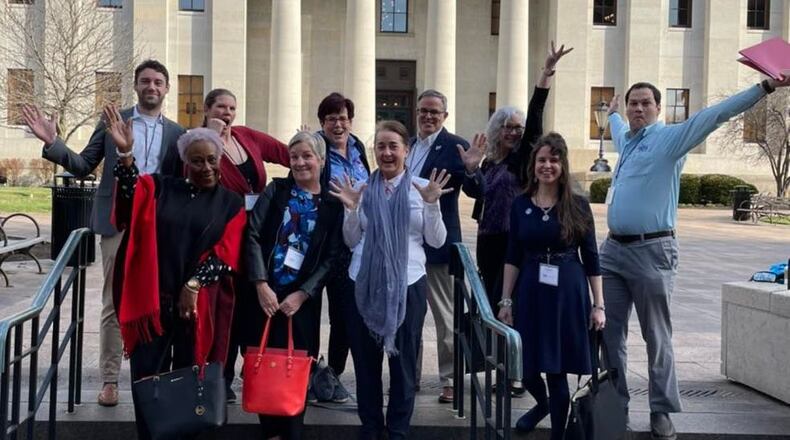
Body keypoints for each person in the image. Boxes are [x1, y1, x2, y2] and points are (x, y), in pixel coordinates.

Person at [601, 73, 790, 440]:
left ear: (658, 109)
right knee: (609, 334)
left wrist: (764, 88)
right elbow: (619, 127)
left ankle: (661, 411)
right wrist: (611, 114)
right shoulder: (627, 142)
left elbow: (717, 114)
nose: (638, 108)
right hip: (612, 252)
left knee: (656, 335)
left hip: (652, 250)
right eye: (632, 104)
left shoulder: (670, 139)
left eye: (645, 103)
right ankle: (615, 404)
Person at [19, 59, 184, 407]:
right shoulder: (113, 122)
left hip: (159, 226)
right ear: (136, 87)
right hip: (118, 222)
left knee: (159, 301)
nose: (151, 87)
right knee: (114, 300)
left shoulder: (177, 134)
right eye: (145, 81)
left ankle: (153, 375)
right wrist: (54, 143)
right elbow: (82, 165)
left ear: (167, 89)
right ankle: (110, 379)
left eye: (158, 82)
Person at [109, 120, 246, 440]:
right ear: (186, 162)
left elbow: (226, 255)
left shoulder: (230, 203)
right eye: (197, 160)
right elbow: (129, 198)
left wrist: (193, 285)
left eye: (212, 159)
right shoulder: (160, 188)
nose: (207, 166)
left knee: (191, 380)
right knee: (146, 380)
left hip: (196, 310)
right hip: (153, 304)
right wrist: (126, 154)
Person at [330, 120, 449, 440]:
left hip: (408, 283)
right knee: (366, 365)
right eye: (380, 146)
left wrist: (432, 204)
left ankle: (397, 430)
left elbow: (437, 241)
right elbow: (352, 239)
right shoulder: (361, 189)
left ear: (406, 151)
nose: (386, 152)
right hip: (364, 283)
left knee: (404, 365)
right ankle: (370, 428)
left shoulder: (422, 188)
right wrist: (352, 209)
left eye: (393, 146)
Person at [497, 132, 605, 440]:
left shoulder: (578, 206)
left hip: (567, 292)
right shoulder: (520, 205)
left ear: (563, 165)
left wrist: (599, 306)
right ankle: (541, 404)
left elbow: (593, 257)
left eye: (554, 160)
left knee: (557, 371)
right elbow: (513, 255)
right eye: (542, 160)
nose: (547, 166)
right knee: (526, 365)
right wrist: (505, 300)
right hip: (530, 290)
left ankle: (557, 434)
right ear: (534, 165)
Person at [245, 131, 344, 439]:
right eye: (295, 157)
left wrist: (303, 294)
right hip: (266, 294)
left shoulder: (331, 203)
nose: (300, 163)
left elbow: (332, 256)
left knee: (295, 370)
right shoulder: (278, 190)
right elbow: (253, 235)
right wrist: (260, 283)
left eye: (307, 156)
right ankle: (270, 432)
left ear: (321, 160)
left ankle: (291, 433)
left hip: (301, 302)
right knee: (265, 366)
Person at [201, 88, 291, 402]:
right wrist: (210, 140)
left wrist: (313, 146)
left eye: (231, 108)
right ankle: (220, 379)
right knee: (226, 309)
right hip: (222, 238)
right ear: (207, 109)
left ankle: (254, 374)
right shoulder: (198, 141)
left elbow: (287, 154)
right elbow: (196, 175)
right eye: (221, 107)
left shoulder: (245, 136)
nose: (226, 113)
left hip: (256, 235)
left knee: (254, 309)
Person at [473, 41, 572, 313]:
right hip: (486, 238)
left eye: (518, 128)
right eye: (507, 127)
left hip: (511, 236)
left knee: (505, 299)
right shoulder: (489, 162)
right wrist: (471, 170)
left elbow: (537, 110)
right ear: (497, 129)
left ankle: (509, 352)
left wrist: (547, 72)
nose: (513, 132)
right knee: (488, 301)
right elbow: (476, 194)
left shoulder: (522, 159)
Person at [407, 89, 484, 403]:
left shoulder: (456, 146)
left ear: (444, 117)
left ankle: (451, 380)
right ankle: (408, 376)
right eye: (423, 111)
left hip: (440, 247)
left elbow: (479, 191)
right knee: (408, 315)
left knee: (446, 317)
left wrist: (472, 169)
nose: (428, 117)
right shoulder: (409, 146)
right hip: (408, 245)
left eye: (434, 112)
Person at [314, 92, 371, 402]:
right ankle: (307, 372)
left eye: (343, 118)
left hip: (352, 242)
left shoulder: (358, 146)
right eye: (331, 118)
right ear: (323, 122)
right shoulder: (316, 148)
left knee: (344, 315)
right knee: (308, 313)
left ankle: (332, 373)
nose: (338, 124)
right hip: (321, 241)